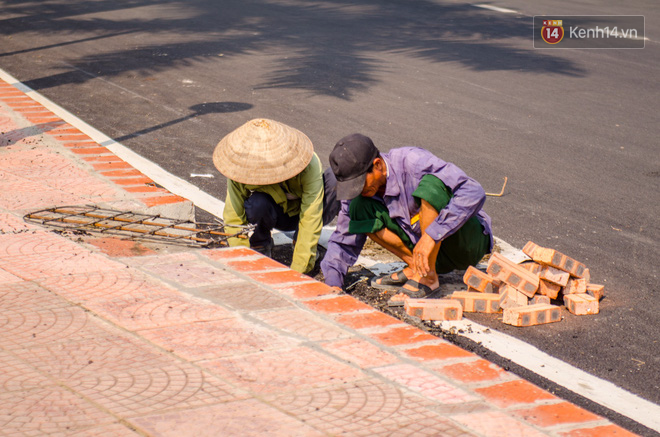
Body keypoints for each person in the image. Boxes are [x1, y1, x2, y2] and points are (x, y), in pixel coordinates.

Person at [320, 133, 493, 297]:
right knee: (358, 208)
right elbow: (343, 240)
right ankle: (419, 268)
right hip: (427, 256)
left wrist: (431, 236)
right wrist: (333, 283)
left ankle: (428, 279)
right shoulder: (359, 195)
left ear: (378, 165)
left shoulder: (413, 161)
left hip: (465, 244)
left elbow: (474, 191)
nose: (359, 190)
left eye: (361, 183)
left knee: (432, 185)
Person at [213, 118, 339, 274]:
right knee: (256, 203)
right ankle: (260, 242)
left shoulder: (308, 165)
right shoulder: (240, 169)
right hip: (275, 215)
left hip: (302, 215)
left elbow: (311, 216)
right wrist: (242, 260)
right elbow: (234, 217)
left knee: (335, 181)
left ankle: (298, 241)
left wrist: (299, 269)